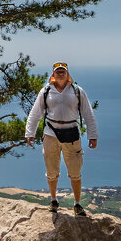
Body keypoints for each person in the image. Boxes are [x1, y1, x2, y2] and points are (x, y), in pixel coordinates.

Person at [24, 62, 98, 215]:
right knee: (51, 170)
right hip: (51, 134)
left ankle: (77, 204)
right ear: (53, 74)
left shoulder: (77, 91)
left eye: (63, 71)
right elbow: (35, 113)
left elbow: (88, 114)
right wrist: (29, 132)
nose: (60, 73)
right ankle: (53, 200)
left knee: (75, 171)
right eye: (57, 71)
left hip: (72, 134)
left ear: (67, 73)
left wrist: (93, 135)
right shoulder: (46, 91)